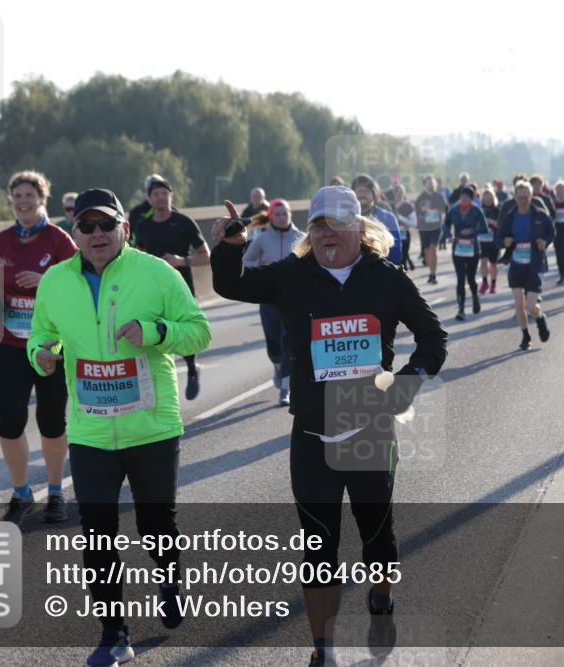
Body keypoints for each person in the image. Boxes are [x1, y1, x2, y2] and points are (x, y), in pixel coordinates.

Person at [211, 185, 447, 667]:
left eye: (338, 226)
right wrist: (227, 249)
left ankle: (381, 597)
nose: (327, 235)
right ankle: (324, 649)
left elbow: (433, 339)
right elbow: (231, 285)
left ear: (360, 229)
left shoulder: (388, 279)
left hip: (369, 431)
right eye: (318, 226)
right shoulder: (291, 277)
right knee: (319, 547)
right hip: (313, 436)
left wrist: (401, 390)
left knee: (377, 536)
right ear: (310, 232)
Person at [29, 188, 211, 667]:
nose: (97, 235)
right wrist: (41, 356)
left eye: (105, 225)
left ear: (123, 230)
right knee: (97, 533)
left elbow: (199, 329)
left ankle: (170, 578)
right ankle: (114, 632)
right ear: (75, 235)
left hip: (151, 428)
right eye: (86, 227)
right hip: (90, 432)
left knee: (156, 526)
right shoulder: (55, 282)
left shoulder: (157, 274)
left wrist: (155, 333)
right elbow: (39, 335)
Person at [0, 170, 76, 525]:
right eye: (17, 196)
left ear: (42, 198)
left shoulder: (59, 240)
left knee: (51, 421)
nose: (22, 201)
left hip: (50, 343)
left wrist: (45, 280)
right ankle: (21, 493)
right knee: (8, 421)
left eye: (29, 195)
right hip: (9, 345)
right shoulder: (0, 241)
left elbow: (79, 285)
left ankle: (56, 490)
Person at [133, 177, 210, 400]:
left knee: (182, 331)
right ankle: (157, 384)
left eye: (164, 193)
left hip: (181, 286)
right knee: (155, 331)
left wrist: (181, 260)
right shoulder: (143, 225)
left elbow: (205, 256)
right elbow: (136, 257)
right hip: (151, 288)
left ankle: (192, 367)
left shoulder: (184, 222)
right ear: (149, 198)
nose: (160, 197)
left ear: (171, 196)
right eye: (155, 194)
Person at [243, 198, 305, 405]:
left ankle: (285, 390)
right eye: (277, 214)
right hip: (268, 298)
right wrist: (259, 267)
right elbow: (247, 260)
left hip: (293, 299)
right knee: (274, 344)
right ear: (271, 217)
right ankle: (277, 366)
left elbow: (310, 264)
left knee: (289, 344)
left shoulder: (301, 238)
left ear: (290, 215)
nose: (281, 217)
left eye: (284, 213)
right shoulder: (261, 239)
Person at [496, 180, 553, 350]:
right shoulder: (509, 217)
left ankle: (540, 318)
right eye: (520, 197)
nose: (523, 200)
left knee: (530, 306)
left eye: (526, 197)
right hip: (516, 265)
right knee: (518, 304)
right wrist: (504, 242)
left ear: (531, 196)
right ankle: (525, 335)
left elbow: (552, 233)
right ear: (515, 197)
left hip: (534, 265)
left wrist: (545, 241)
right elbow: (498, 239)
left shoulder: (540, 215)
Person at [443, 185, 489, 321]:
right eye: (462, 197)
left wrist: (472, 231)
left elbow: (485, 229)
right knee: (460, 279)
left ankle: (475, 297)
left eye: (466, 197)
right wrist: (449, 235)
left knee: (471, 278)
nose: (463, 199)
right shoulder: (454, 210)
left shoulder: (476, 210)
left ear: (471, 198)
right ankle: (461, 309)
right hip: (458, 249)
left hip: (473, 249)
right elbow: (445, 225)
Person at [351, 173, 402, 267]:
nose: (362, 194)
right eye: (359, 191)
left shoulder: (388, 218)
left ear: (374, 194)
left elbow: (396, 253)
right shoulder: (346, 219)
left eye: (366, 191)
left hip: (381, 270)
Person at [415, 176, 448, 284]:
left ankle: (434, 274)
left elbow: (444, 210)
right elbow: (417, 212)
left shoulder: (439, 196)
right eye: (428, 183)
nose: (430, 185)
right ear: (425, 185)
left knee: (433, 248)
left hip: (436, 227)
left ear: (435, 185)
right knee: (427, 251)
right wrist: (423, 213)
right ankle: (430, 272)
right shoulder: (421, 198)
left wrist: (439, 213)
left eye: (432, 184)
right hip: (424, 228)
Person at [478, 188, 500, 294]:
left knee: (493, 264)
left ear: (493, 198)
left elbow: (501, 225)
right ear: (482, 199)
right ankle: (485, 282)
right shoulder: (478, 210)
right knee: (483, 262)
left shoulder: (497, 210)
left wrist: (491, 221)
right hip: (482, 241)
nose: (487, 200)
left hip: (494, 241)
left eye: (489, 198)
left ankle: (493, 284)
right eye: (485, 198)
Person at [391, 184, 417, 271]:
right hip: (391, 233)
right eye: (396, 192)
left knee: (404, 255)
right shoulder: (390, 206)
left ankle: (404, 271)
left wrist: (402, 219)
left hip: (404, 232)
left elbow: (414, 222)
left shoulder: (408, 206)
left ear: (403, 193)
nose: (398, 194)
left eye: (400, 192)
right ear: (394, 193)